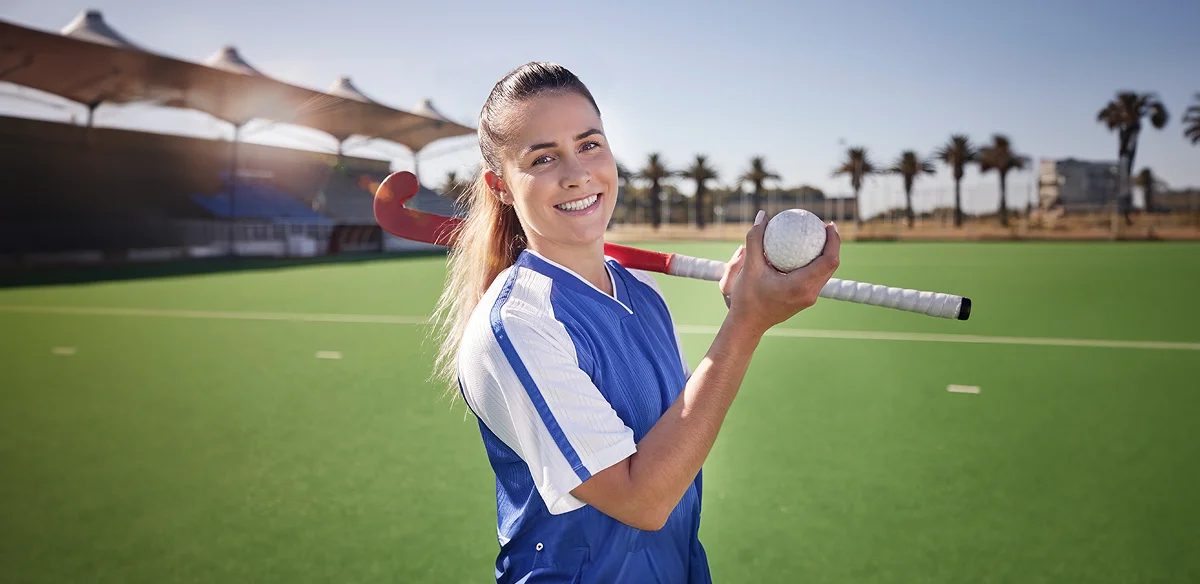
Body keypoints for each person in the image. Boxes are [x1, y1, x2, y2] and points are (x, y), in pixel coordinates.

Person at [430, 62, 841, 583]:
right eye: (543, 157)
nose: (577, 172)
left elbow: (677, 443)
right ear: (502, 186)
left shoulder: (643, 293)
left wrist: (744, 315)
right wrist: (747, 323)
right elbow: (642, 499)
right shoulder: (516, 323)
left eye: (589, 144)